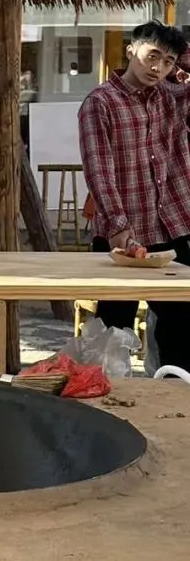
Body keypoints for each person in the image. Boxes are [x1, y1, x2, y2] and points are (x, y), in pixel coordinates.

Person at [78, 19, 190, 373]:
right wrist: (118, 225)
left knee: (182, 325)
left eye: (168, 62)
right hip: (123, 233)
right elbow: (98, 170)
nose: (158, 68)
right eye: (152, 56)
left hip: (173, 227)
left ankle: (176, 396)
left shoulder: (173, 99)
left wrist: (181, 62)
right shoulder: (100, 102)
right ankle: (109, 397)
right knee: (114, 330)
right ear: (131, 50)